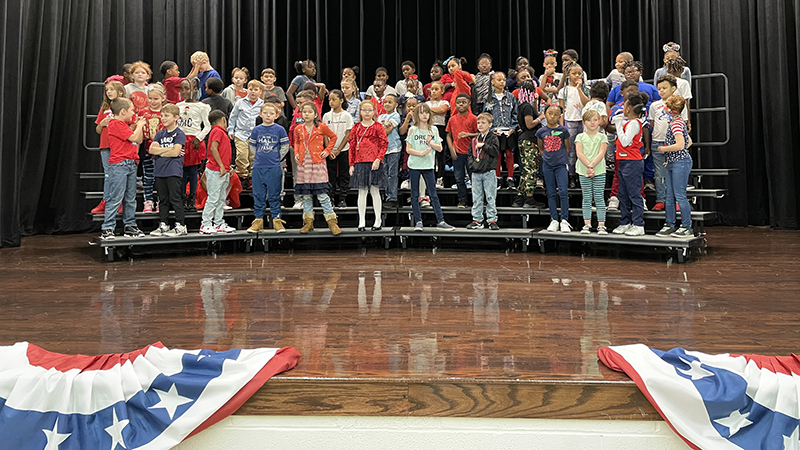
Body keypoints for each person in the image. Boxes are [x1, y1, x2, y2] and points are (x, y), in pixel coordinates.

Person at [100, 98, 146, 240]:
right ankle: (108, 227)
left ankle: (130, 225)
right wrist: (139, 125)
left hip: (131, 163)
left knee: (130, 198)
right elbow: (134, 136)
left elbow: (138, 140)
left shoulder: (124, 125)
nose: (133, 112)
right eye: (132, 110)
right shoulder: (115, 124)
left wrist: (138, 128)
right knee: (116, 197)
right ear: (123, 111)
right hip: (119, 164)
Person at [405, 103, 455, 231]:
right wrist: (420, 153)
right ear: (417, 115)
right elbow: (408, 149)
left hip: (428, 165)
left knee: (433, 193)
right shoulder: (413, 129)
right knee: (415, 194)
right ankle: (418, 222)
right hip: (415, 165)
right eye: (421, 112)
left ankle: (441, 221)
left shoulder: (433, 129)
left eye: (426, 112)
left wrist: (430, 142)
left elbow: (439, 148)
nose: (424, 115)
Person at [294, 102, 341, 235]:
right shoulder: (298, 128)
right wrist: (297, 153)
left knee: (322, 195)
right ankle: (308, 222)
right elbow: (297, 142)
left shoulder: (321, 126)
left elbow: (333, 137)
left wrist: (327, 150)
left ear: (315, 114)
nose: (306, 114)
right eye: (304, 112)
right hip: (304, 163)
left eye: (309, 112)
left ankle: (332, 222)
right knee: (306, 195)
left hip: (317, 162)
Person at [610, 91, 650, 236]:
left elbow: (626, 141)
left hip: (633, 162)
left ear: (629, 108)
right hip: (622, 161)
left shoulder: (634, 123)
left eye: (624, 105)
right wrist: (619, 121)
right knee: (622, 194)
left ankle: (638, 224)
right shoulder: (628, 122)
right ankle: (625, 222)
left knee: (634, 194)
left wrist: (619, 124)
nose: (622, 108)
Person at [247, 103, 290, 233]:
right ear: (260, 114)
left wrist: (277, 158)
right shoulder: (256, 130)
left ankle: (277, 220)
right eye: (265, 113)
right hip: (259, 167)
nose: (268, 116)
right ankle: (258, 221)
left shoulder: (279, 129)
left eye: (271, 113)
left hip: (274, 167)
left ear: (276, 116)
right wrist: (259, 157)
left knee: (274, 194)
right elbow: (252, 146)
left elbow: (285, 146)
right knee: (258, 194)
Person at [656, 95, 694, 238]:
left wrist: (664, 149)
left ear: (672, 109)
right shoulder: (676, 123)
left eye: (666, 106)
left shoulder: (676, 124)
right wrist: (670, 157)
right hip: (673, 162)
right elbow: (688, 142)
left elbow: (680, 144)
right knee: (669, 196)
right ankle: (670, 224)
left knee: (679, 195)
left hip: (680, 163)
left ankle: (686, 226)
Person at [147, 103, 187, 237]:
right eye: (162, 115)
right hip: (160, 171)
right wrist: (168, 150)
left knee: (175, 198)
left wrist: (162, 152)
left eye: (166, 116)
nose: (163, 118)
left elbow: (176, 153)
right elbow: (152, 150)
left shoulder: (179, 134)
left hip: (173, 171)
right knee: (162, 199)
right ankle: (163, 224)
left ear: (176, 117)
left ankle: (181, 226)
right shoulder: (160, 133)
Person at [348, 101, 388, 231]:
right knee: (362, 191)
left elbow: (384, 144)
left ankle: (378, 220)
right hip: (360, 162)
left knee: (375, 190)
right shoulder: (356, 127)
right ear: (360, 111)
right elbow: (352, 147)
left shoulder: (378, 127)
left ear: (374, 112)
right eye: (364, 110)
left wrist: (378, 159)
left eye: (369, 110)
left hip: (374, 162)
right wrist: (351, 164)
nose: (366, 113)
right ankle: (362, 221)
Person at [176, 78, 212, 212]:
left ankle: (192, 198)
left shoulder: (202, 107)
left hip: (194, 142)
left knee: (192, 172)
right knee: (181, 172)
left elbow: (207, 126)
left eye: (187, 88)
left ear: (196, 90)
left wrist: (199, 138)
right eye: (182, 88)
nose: (184, 91)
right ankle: (182, 197)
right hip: (180, 141)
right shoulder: (178, 106)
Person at [91, 81, 127, 215]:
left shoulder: (125, 107)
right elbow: (98, 130)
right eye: (107, 90)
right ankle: (106, 201)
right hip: (105, 145)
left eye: (112, 89)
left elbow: (131, 124)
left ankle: (118, 202)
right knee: (108, 175)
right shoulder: (104, 108)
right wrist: (102, 123)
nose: (109, 92)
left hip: (119, 146)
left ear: (120, 91)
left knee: (118, 175)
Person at [536, 105, 572, 233]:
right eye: (550, 113)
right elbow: (540, 148)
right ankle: (554, 219)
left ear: (560, 116)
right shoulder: (541, 132)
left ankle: (565, 220)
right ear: (544, 114)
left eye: (556, 114)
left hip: (561, 164)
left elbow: (567, 147)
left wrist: (561, 158)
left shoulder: (563, 131)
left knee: (563, 191)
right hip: (547, 165)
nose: (552, 117)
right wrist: (546, 157)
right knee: (550, 193)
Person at [199, 110, 235, 234]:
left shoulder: (221, 132)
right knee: (213, 198)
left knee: (220, 199)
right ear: (224, 120)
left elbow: (223, 151)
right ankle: (205, 224)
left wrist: (227, 166)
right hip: (216, 170)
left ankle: (218, 223)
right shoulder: (217, 131)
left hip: (222, 170)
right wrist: (221, 166)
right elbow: (213, 148)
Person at [512, 78, 546, 209]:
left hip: (524, 139)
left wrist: (536, 103)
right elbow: (530, 124)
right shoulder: (526, 107)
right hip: (529, 140)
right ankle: (529, 198)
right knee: (531, 169)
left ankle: (519, 198)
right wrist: (541, 118)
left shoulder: (524, 105)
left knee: (526, 171)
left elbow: (533, 113)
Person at [575, 110, 608, 235]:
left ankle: (601, 225)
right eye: (589, 120)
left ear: (599, 121)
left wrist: (592, 165)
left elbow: (601, 153)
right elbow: (579, 153)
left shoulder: (602, 137)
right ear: (584, 122)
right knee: (587, 197)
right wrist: (588, 166)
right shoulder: (580, 137)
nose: (592, 123)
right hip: (583, 170)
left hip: (598, 170)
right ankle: (587, 224)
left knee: (599, 197)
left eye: (595, 120)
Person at [484, 72, 518, 190]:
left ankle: (510, 178)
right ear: (492, 82)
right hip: (495, 131)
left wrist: (513, 128)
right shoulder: (488, 98)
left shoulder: (510, 97)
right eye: (499, 80)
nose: (502, 82)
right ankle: (497, 178)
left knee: (509, 153)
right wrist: (491, 129)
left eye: (503, 80)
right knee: (497, 154)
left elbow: (515, 114)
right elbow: (486, 115)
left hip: (507, 130)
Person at [559, 63, 591, 188]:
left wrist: (579, 88)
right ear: (568, 75)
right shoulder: (564, 90)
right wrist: (562, 126)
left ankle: (582, 174)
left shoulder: (586, 89)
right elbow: (562, 109)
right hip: (570, 121)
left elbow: (587, 103)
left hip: (584, 122)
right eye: (574, 73)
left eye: (580, 73)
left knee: (583, 149)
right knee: (571, 150)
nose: (577, 76)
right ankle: (571, 175)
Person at [466, 113, 500, 230]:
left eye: (483, 123)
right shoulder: (474, 139)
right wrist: (472, 165)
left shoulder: (493, 138)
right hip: (476, 173)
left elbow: (495, 151)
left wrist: (484, 146)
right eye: (478, 123)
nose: (480, 125)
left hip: (489, 172)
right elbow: (470, 154)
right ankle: (477, 220)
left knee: (490, 197)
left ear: (490, 125)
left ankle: (491, 220)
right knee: (476, 197)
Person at [650, 75, 679, 211]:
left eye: (664, 88)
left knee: (675, 172)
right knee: (660, 173)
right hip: (658, 143)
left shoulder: (679, 103)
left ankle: (676, 200)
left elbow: (681, 123)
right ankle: (661, 200)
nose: (661, 91)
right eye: (659, 88)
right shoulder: (655, 105)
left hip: (674, 143)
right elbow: (652, 123)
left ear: (673, 89)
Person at [137, 84, 168, 213]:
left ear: (163, 98)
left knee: (161, 178)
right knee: (148, 177)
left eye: (156, 99)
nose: (152, 102)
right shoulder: (143, 112)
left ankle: (161, 201)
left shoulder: (166, 112)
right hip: (147, 149)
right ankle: (148, 201)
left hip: (162, 150)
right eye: (150, 98)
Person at [322, 89, 354, 208]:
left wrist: (338, 149)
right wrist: (328, 149)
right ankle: (331, 198)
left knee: (343, 175)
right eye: (329, 99)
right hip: (330, 151)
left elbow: (348, 134)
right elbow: (325, 134)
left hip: (343, 150)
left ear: (341, 100)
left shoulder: (347, 115)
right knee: (330, 175)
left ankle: (342, 199)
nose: (331, 102)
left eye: (334, 99)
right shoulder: (326, 116)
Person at [228, 80, 265, 184]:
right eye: (250, 89)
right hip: (241, 133)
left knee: (254, 157)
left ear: (260, 91)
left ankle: (253, 178)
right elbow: (233, 117)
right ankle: (242, 177)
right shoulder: (240, 102)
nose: (253, 92)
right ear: (247, 90)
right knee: (241, 156)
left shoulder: (263, 104)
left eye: (256, 90)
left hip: (256, 135)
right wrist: (231, 130)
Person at [446, 93, 477, 208]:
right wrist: (451, 147)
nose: (461, 105)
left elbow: (480, 133)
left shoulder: (473, 118)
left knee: (474, 178)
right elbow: (448, 135)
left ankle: (477, 200)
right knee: (459, 178)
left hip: (471, 153)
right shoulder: (452, 119)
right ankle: (462, 200)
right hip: (457, 153)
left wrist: (468, 134)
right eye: (458, 103)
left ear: (469, 103)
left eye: (463, 102)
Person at [379, 94, 402, 209]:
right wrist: (383, 128)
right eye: (385, 102)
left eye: (390, 102)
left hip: (393, 148)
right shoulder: (380, 116)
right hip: (382, 150)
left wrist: (382, 129)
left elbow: (387, 131)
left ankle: (392, 197)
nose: (387, 104)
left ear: (396, 105)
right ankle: (385, 196)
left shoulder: (396, 116)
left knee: (392, 174)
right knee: (384, 173)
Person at [426, 81, 450, 187]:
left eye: (436, 89)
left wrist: (431, 111)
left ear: (442, 91)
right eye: (432, 89)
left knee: (440, 154)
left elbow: (442, 109)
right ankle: (429, 178)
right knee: (428, 153)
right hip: (428, 128)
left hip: (440, 128)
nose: (434, 91)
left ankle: (440, 178)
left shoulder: (445, 102)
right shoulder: (427, 103)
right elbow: (424, 112)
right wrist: (434, 111)